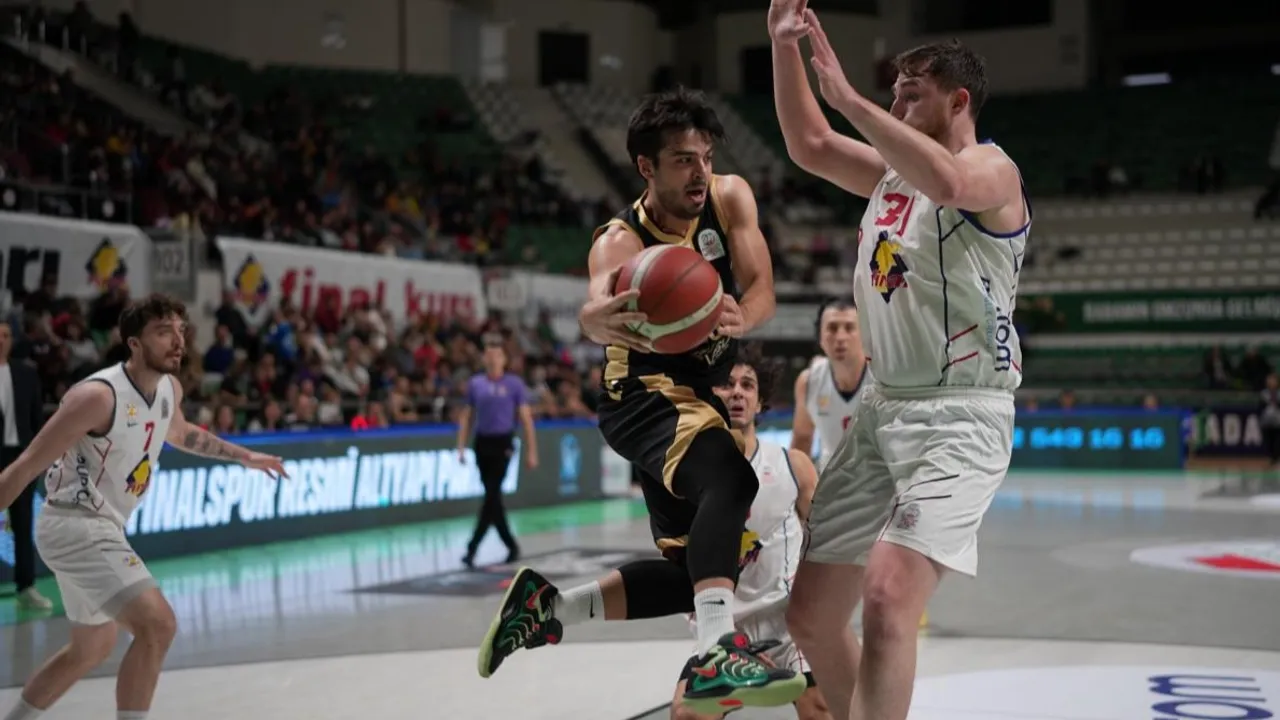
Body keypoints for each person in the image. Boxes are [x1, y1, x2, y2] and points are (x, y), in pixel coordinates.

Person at [477, 87, 805, 715]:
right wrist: (593, 318)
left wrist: (744, 317)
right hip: (643, 394)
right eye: (683, 160)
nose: (700, 173)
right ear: (646, 167)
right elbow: (595, 304)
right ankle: (717, 656)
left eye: (706, 157)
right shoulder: (619, 240)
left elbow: (762, 287)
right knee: (733, 482)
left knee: (694, 575)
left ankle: (548, 607)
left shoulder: (731, 197)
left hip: (698, 395)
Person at [770, 2, 1029, 720]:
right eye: (891, 94)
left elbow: (950, 185)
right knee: (811, 616)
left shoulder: (993, 169)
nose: (895, 105)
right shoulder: (892, 176)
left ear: (958, 100)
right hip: (884, 411)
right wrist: (783, 47)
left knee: (887, 596)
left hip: (960, 416)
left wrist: (848, 99)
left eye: (911, 93)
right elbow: (810, 145)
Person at [475, 344, 830, 720]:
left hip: (784, 621)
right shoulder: (682, 454)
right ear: (711, 392)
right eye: (728, 384)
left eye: (748, 385)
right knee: (688, 712)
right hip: (725, 622)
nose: (737, 392)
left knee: (818, 706)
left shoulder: (790, 464)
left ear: (761, 401)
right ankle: (714, 643)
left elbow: (827, 544)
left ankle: (554, 607)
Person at [0, 294, 286, 720]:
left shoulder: (169, 388)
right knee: (158, 624)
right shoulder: (97, 397)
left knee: (91, 648)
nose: (178, 341)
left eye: (180, 331)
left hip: (103, 526)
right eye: (163, 332)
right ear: (134, 343)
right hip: (76, 524)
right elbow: (26, 465)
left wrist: (244, 456)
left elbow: (182, 434)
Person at [457, 334, 538, 568]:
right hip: (482, 443)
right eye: (489, 355)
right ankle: (511, 545)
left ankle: (472, 547)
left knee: (492, 494)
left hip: (503, 443)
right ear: (484, 359)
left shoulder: (514, 384)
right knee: (492, 498)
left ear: (504, 359)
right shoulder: (476, 384)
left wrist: (532, 451)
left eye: (497, 355)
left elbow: (526, 419)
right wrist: (460, 446)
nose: (493, 359)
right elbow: (467, 416)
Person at [0, 322, 52, 611]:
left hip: (20, 459)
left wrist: (37, 459)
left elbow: (36, 420)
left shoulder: (26, 374)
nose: (1, 341)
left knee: (22, 524)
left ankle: (26, 586)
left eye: (5, 336)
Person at [789, 298, 866, 473]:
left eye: (849, 328)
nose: (840, 337)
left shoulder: (881, 376)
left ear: (865, 334)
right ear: (820, 338)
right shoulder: (809, 381)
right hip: (832, 482)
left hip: (879, 482)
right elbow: (802, 441)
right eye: (832, 328)